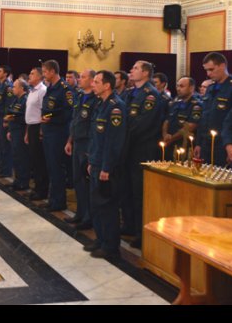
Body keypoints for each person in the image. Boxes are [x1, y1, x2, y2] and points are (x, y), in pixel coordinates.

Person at [120, 60, 163, 248]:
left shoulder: (151, 96)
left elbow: (142, 124)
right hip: (128, 147)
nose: (131, 70)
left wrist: (123, 135)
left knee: (139, 192)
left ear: (145, 73)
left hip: (142, 148)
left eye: (135, 68)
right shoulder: (131, 93)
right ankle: (129, 224)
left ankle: (141, 231)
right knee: (126, 188)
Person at [85, 70, 126, 260]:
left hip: (107, 167)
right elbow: (95, 137)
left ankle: (111, 246)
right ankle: (101, 239)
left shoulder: (115, 107)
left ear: (107, 85)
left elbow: (113, 141)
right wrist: (91, 161)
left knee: (107, 207)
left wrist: (106, 168)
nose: (93, 84)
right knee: (96, 205)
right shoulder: (100, 105)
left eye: (96, 81)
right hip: (96, 162)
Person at [194, 52, 232, 168]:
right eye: (206, 70)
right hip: (206, 143)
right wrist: (198, 143)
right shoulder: (211, 88)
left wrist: (230, 145)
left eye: (211, 69)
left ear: (222, 66)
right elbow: (204, 118)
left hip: (223, 144)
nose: (208, 74)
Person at [40, 59, 77, 212]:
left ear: (53, 71)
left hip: (58, 133)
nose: (44, 75)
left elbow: (69, 113)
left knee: (57, 168)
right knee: (50, 167)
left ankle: (59, 201)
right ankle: (53, 199)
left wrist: (52, 119)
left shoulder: (64, 89)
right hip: (49, 131)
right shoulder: (50, 88)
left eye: (45, 72)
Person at [64, 68, 97, 231]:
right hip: (76, 142)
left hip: (87, 144)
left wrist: (91, 150)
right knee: (77, 180)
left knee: (86, 182)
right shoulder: (78, 96)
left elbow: (93, 127)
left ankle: (88, 217)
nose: (79, 80)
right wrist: (69, 140)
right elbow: (75, 120)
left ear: (92, 81)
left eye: (83, 77)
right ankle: (80, 213)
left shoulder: (95, 99)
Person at [162, 76, 202, 156]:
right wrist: (165, 135)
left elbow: (191, 126)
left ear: (191, 88)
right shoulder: (175, 103)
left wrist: (172, 138)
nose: (178, 89)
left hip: (184, 145)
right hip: (169, 143)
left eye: (182, 86)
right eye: (177, 86)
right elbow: (166, 121)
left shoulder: (196, 105)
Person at [25, 66, 48, 201]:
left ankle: (42, 190)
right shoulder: (32, 90)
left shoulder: (42, 90)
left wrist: (40, 130)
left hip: (39, 127)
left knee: (40, 161)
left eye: (32, 74)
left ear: (40, 77)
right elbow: (30, 113)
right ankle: (37, 187)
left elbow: (44, 112)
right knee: (34, 160)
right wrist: (27, 132)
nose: (29, 75)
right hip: (31, 127)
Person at [5, 78, 29, 191]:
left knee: (22, 158)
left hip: (20, 131)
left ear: (21, 88)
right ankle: (17, 180)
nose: (12, 88)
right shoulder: (16, 99)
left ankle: (23, 182)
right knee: (15, 157)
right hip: (14, 130)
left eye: (15, 86)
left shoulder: (25, 99)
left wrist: (13, 117)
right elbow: (10, 112)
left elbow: (25, 117)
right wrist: (9, 130)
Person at [0, 65, 14, 177]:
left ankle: (7, 170)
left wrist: (6, 120)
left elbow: (9, 104)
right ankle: (1, 168)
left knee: (5, 146)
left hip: (3, 119)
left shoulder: (8, 86)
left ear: (5, 74)